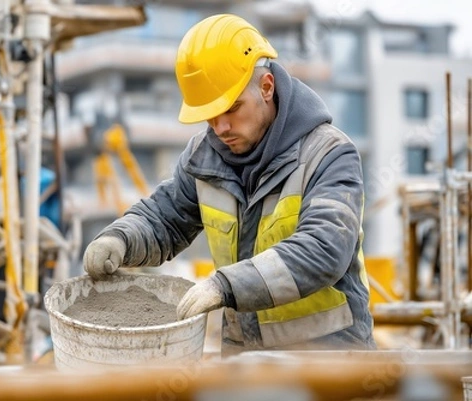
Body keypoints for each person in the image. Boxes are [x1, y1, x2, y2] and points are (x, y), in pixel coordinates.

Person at [83, 14, 375, 354]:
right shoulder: (204, 158)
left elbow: (324, 249)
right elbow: (164, 218)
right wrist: (120, 239)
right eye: (209, 114)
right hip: (247, 365)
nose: (220, 127)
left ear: (267, 87)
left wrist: (226, 286)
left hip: (332, 364)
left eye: (232, 108)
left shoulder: (328, 154)